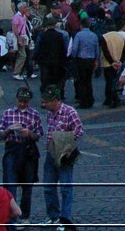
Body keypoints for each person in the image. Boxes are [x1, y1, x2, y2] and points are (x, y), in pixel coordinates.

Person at [40, 86, 84, 226]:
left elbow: (79, 131)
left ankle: (65, 219)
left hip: (65, 153)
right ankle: (53, 217)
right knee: (48, 187)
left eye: (46, 102)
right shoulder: (50, 113)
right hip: (50, 153)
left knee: (65, 187)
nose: (44, 104)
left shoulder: (69, 112)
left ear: (56, 101)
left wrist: (64, 138)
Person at [0, 85, 42, 219]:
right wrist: (9, 129)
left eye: (25, 102)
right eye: (20, 101)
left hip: (28, 150)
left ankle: (24, 217)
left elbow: (39, 134)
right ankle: (10, 217)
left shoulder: (34, 114)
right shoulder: (8, 113)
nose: (22, 104)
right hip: (12, 149)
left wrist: (30, 133)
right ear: (16, 99)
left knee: (27, 186)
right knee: (10, 184)